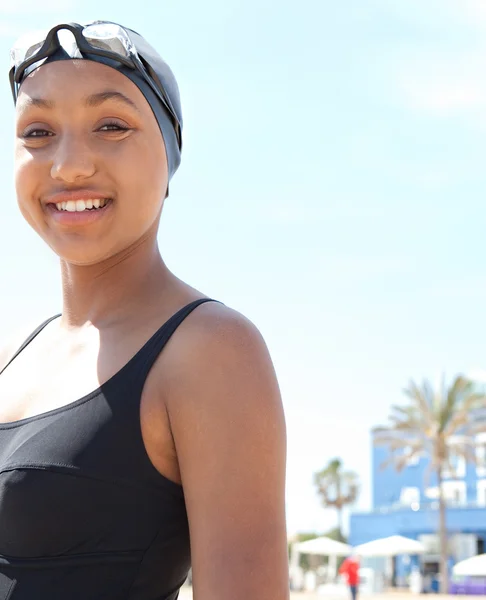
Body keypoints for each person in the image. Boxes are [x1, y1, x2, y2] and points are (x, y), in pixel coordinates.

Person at [0, 21, 289, 600]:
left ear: (169, 157)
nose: (68, 166)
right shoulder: (15, 354)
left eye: (111, 125)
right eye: (38, 131)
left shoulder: (209, 350)